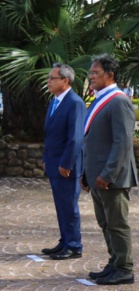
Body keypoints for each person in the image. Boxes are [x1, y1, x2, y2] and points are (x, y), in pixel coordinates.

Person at [82, 54, 138, 285]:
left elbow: (122, 141)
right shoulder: (100, 99)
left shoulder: (119, 101)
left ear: (110, 75)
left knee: (117, 223)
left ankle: (124, 268)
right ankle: (115, 261)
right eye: (91, 72)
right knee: (105, 223)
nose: (91, 76)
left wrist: (108, 174)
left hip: (112, 177)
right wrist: (87, 173)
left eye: (96, 73)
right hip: (97, 175)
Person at [40, 63, 86, 260]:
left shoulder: (75, 103)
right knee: (61, 205)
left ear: (65, 81)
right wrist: (45, 158)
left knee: (69, 205)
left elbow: (75, 137)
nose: (48, 81)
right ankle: (65, 240)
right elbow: (50, 134)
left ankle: (74, 244)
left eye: (52, 78)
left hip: (67, 166)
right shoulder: (54, 101)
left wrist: (66, 163)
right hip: (53, 161)